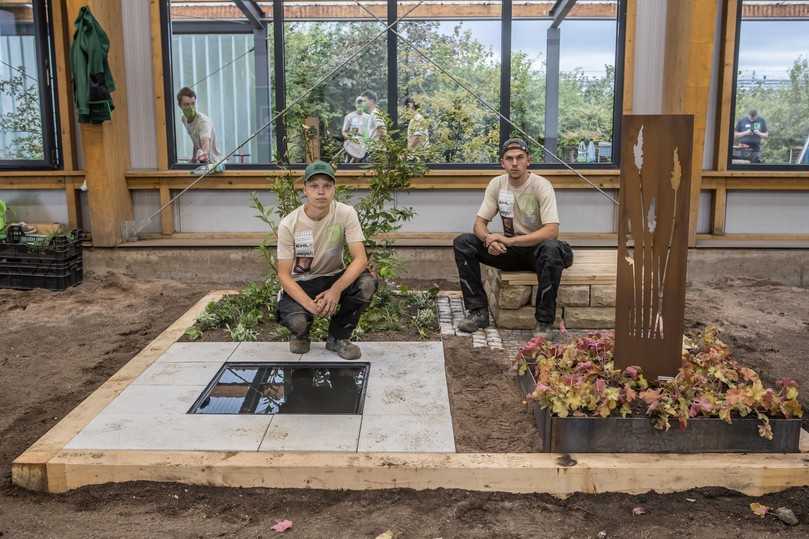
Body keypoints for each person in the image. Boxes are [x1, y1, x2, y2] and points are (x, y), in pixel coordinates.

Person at [453, 138, 573, 338]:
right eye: (509, 159)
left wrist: (509, 241)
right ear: (502, 163)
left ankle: (544, 323)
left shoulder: (541, 185)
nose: (515, 163)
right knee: (463, 243)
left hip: (538, 250)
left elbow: (552, 230)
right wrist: (489, 239)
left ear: (528, 160)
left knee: (552, 248)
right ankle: (478, 313)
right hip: (510, 251)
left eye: (520, 158)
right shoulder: (497, 184)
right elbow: (479, 225)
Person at [275, 160, 378, 360]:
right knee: (298, 324)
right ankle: (301, 333)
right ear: (305, 189)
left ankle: (339, 337)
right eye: (314, 186)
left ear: (334, 189)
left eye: (327, 186)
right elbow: (284, 275)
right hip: (302, 282)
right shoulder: (289, 223)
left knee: (366, 283)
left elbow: (360, 259)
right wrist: (311, 305)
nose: (320, 192)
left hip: (333, 276)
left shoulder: (346, 213)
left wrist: (336, 290)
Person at [176, 86, 223, 166]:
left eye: (193, 104)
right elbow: (196, 141)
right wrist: (193, 159)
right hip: (201, 163)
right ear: (180, 106)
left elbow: (205, 144)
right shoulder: (184, 119)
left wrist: (204, 154)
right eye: (186, 104)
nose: (191, 108)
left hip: (214, 164)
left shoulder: (203, 122)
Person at [341, 96, 370, 163]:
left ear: (364, 104)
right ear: (355, 104)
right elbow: (344, 131)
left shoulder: (368, 118)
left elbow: (369, 133)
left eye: (362, 102)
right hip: (351, 144)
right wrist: (350, 138)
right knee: (348, 165)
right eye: (358, 103)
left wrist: (367, 142)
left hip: (363, 146)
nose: (360, 104)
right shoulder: (349, 116)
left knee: (361, 165)